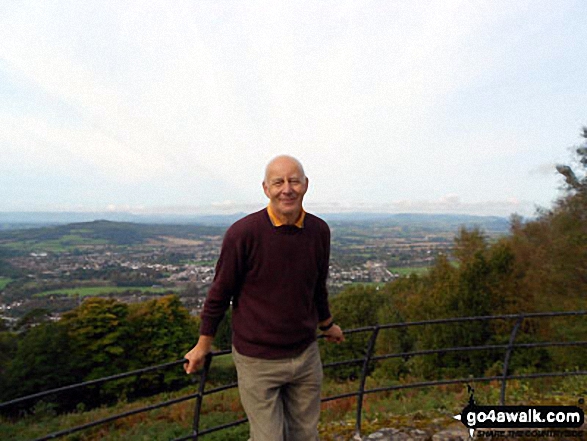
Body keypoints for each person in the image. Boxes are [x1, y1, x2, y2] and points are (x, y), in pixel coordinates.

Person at [184, 155, 344, 441]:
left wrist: (326, 324)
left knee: (306, 435)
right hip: (257, 359)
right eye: (278, 182)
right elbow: (220, 293)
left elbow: (317, 286)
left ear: (306, 185)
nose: (287, 189)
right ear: (265, 188)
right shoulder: (243, 233)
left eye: (294, 181)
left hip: (305, 353)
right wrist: (203, 344)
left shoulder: (319, 231)